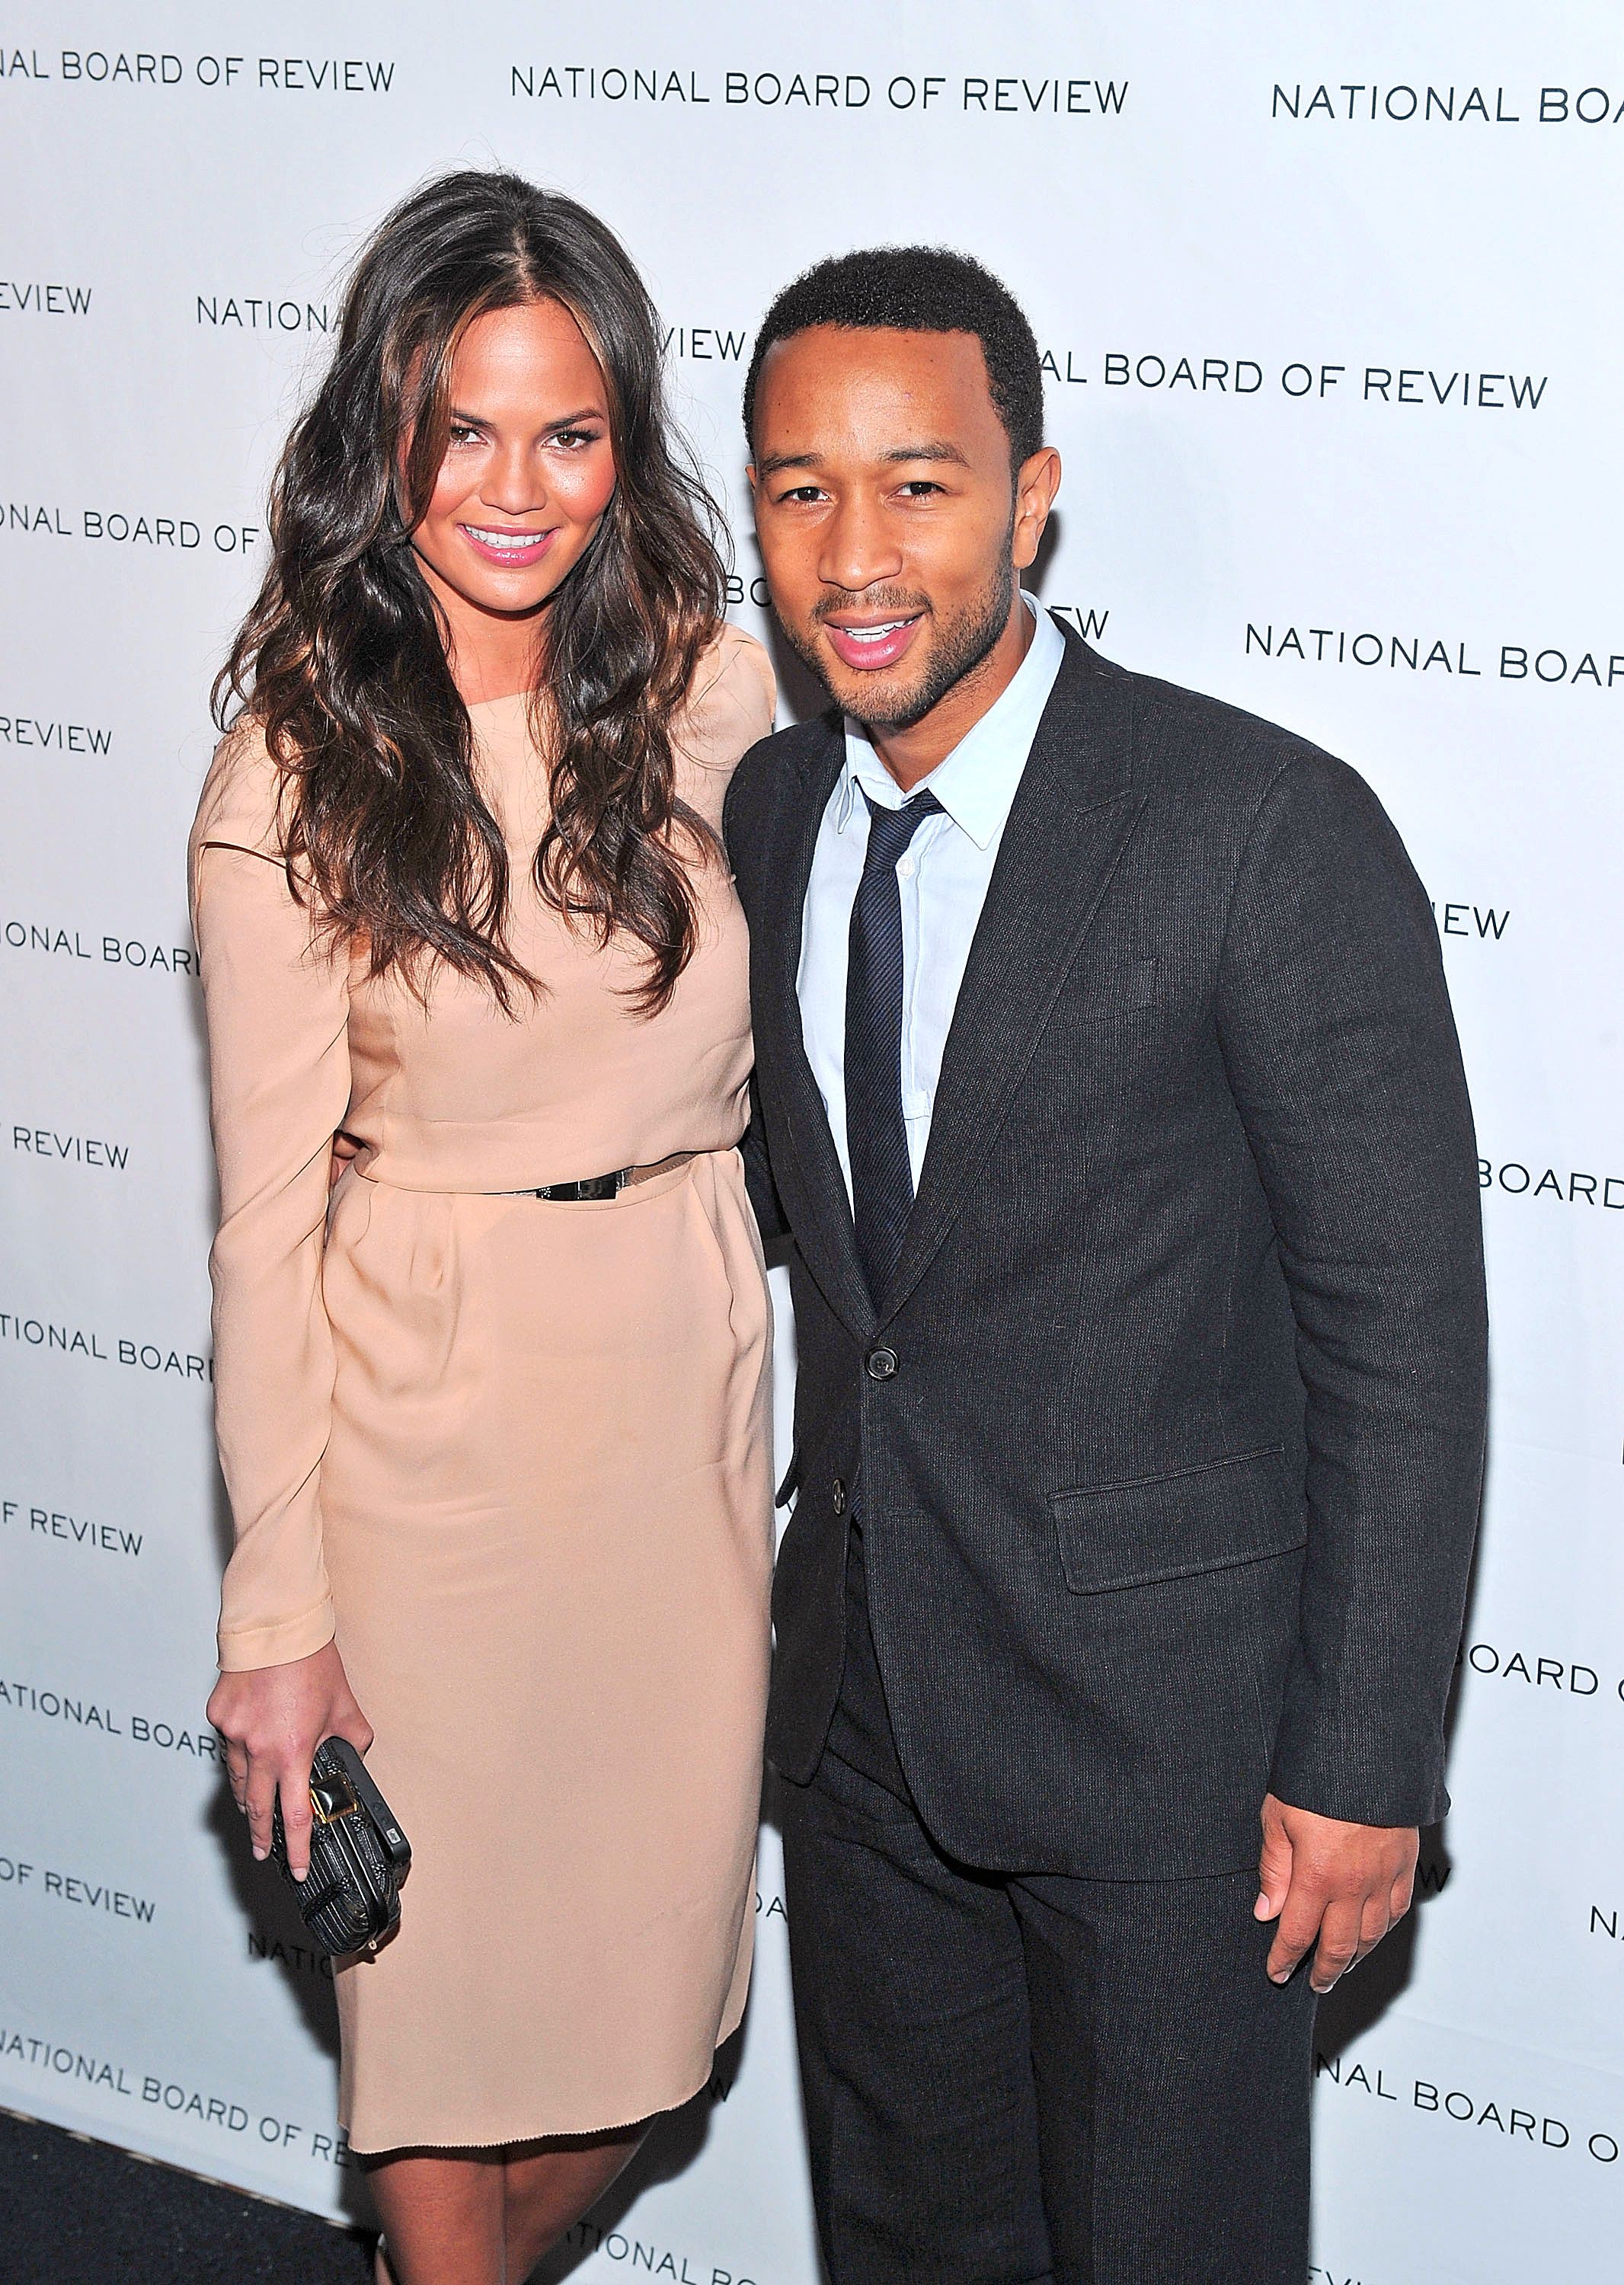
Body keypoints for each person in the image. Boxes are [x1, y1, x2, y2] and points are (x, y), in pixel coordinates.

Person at [724, 247, 1488, 2284]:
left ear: (1030, 494)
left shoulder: (1255, 825)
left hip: (1178, 1756)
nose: (855, 550)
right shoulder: (772, 803)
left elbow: (1397, 1335)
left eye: (919, 483)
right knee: (909, 2244)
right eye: (799, 490)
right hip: (869, 1712)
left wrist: (1358, 1766)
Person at [192, 171, 775, 2285]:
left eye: (567, 431)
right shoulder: (297, 769)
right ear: (388, 439)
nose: (513, 488)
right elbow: (261, 1225)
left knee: (648, 2058)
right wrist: (278, 1626)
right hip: (424, 1437)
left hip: (678, 1404)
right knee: (433, 2053)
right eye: (462, 429)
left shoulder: (721, 703)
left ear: (624, 444)